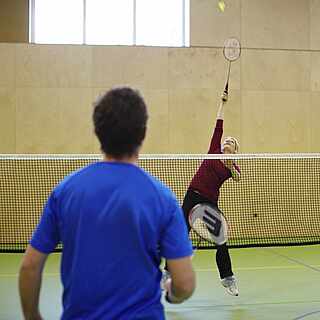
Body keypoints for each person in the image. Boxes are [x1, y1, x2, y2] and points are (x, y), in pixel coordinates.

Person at [19, 87, 196, 320]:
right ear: (143, 133)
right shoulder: (163, 200)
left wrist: (32, 316)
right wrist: (172, 293)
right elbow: (184, 284)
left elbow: (29, 267)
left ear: (97, 131)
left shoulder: (65, 192)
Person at [164, 91, 240, 296]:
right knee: (179, 235)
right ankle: (167, 273)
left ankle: (227, 278)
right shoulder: (214, 149)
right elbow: (219, 124)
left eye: (231, 143)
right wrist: (223, 103)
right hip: (192, 195)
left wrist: (231, 163)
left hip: (209, 203)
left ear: (235, 150)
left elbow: (238, 178)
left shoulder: (231, 167)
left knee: (221, 239)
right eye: (226, 141)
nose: (227, 142)